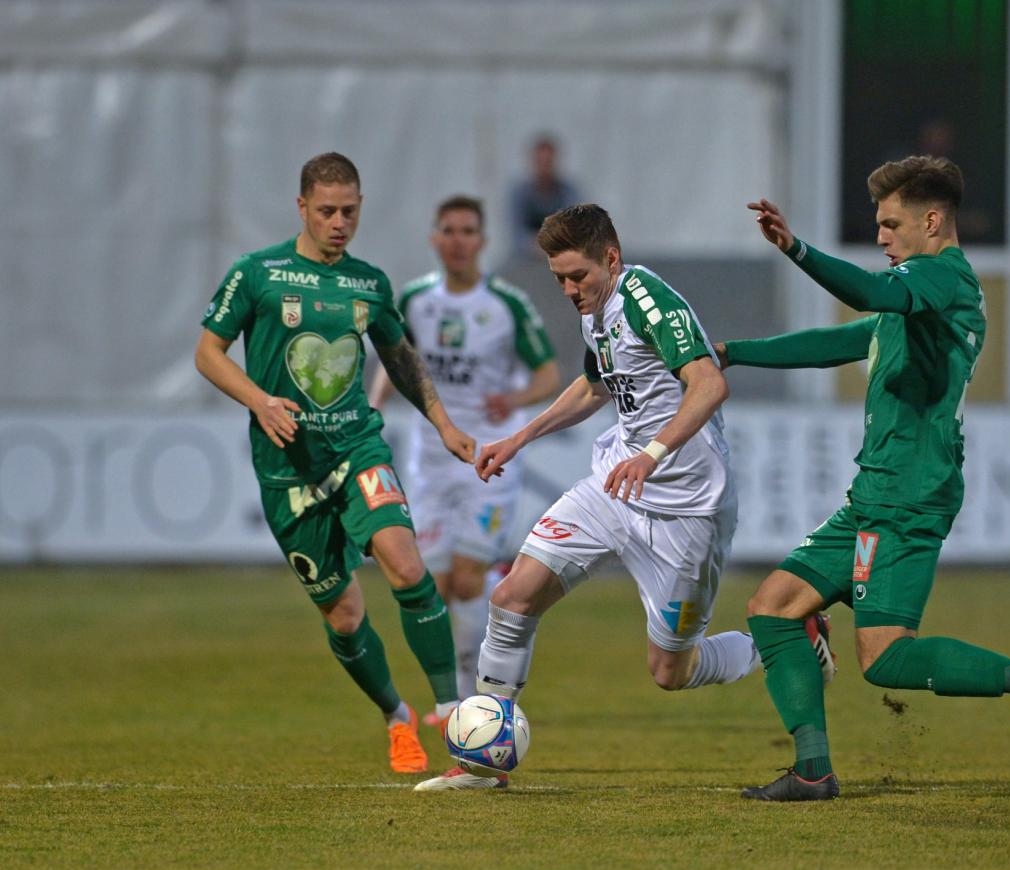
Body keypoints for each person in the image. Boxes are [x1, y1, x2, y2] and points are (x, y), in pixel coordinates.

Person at [717, 155, 1010, 802]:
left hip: (908, 495)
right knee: (772, 607)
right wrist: (733, 354)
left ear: (931, 221)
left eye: (889, 223)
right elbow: (838, 342)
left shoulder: (943, 279)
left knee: (885, 657)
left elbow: (871, 292)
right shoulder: (912, 300)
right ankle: (812, 770)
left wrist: (796, 248)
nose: (880, 236)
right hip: (874, 492)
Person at [415, 203, 832, 792]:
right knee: (513, 596)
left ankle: (794, 638)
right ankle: (483, 762)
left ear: (610, 258)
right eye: (559, 278)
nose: (568, 289)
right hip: (614, 488)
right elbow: (594, 385)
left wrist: (653, 454)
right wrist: (519, 437)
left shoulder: (646, 298)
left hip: (688, 512)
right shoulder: (597, 309)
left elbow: (710, 382)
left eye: (577, 275)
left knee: (671, 670)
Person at [195, 152, 475, 775]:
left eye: (349, 211)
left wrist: (447, 426)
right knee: (345, 616)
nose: (338, 222)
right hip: (287, 470)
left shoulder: (369, 283)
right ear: (302, 207)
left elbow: (401, 360)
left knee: (405, 562)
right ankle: (398, 718)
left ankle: (458, 720)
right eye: (326, 211)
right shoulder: (258, 273)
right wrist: (261, 400)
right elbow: (208, 353)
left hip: (357, 448)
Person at [369, 195, 560, 708]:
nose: (458, 240)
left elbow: (549, 374)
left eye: (468, 231)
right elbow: (396, 359)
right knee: (435, 581)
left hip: (487, 458)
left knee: (469, 576)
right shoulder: (414, 299)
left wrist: (514, 399)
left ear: (482, 240)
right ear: (435, 238)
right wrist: (374, 404)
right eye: (448, 230)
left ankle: (467, 697)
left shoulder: (506, 304)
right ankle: (454, 695)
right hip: (428, 459)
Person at [509, 135, 581, 258]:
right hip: (527, 258)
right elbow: (516, 234)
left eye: (548, 162)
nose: (544, 167)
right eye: (540, 162)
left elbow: (575, 230)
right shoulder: (520, 194)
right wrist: (536, 246)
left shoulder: (568, 192)